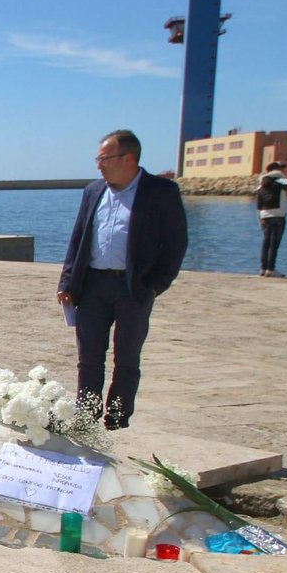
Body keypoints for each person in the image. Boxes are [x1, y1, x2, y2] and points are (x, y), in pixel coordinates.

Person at [56, 129, 188, 430]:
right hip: (92, 286)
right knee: (88, 357)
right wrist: (66, 282)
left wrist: (157, 284)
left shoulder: (160, 192)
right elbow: (77, 240)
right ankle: (86, 415)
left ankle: (117, 416)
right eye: (98, 159)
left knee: (126, 358)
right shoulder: (93, 191)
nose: (99, 166)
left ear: (128, 159)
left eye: (105, 159)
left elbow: (176, 242)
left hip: (135, 288)